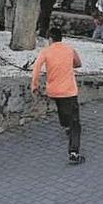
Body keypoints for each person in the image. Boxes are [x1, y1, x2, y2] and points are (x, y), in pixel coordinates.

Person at [31, 27, 85, 165]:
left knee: (61, 107)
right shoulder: (69, 49)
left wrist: (35, 86)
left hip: (53, 90)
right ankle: (74, 152)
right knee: (75, 122)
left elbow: (36, 68)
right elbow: (78, 64)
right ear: (61, 38)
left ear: (50, 39)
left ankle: (65, 126)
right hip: (69, 90)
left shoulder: (46, 52)